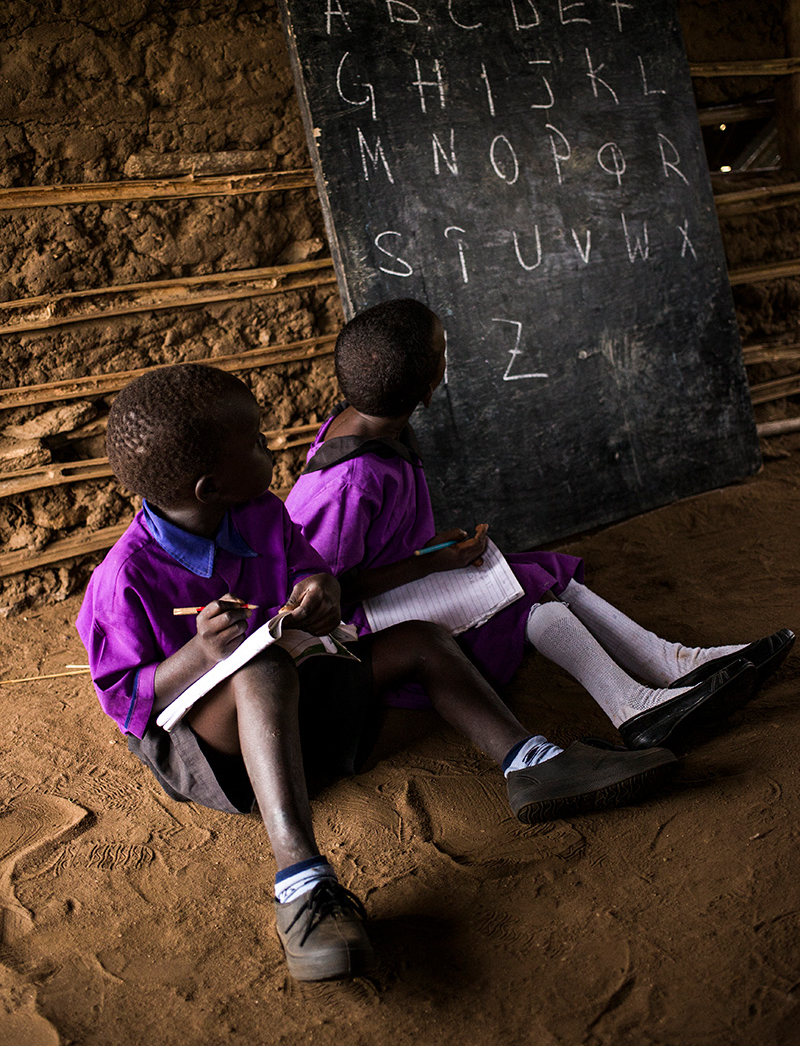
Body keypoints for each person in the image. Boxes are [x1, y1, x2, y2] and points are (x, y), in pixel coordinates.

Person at [76, 363, 679, 984]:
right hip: (211, 749)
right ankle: (301, 885)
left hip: (299, 692)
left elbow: (308, 568)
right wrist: (200, 656)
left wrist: (320, 587)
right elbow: (124, 698)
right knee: (259, 671)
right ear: (209, 487)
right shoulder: (125, 578)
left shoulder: (259, 512)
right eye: (255, 442)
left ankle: (531, 765)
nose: (271, 445)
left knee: (422, 640)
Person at [285, 299, 794, 749]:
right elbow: (329, 590)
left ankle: (674, 662)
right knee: (527, 589)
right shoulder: (347, 482)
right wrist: (429, 565)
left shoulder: (378, 426)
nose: (447, 356)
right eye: (443, 351)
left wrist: (428, 552)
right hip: (361, 626)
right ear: (428, 387)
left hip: (396, 587)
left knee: (540, 568)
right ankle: (634, 708)